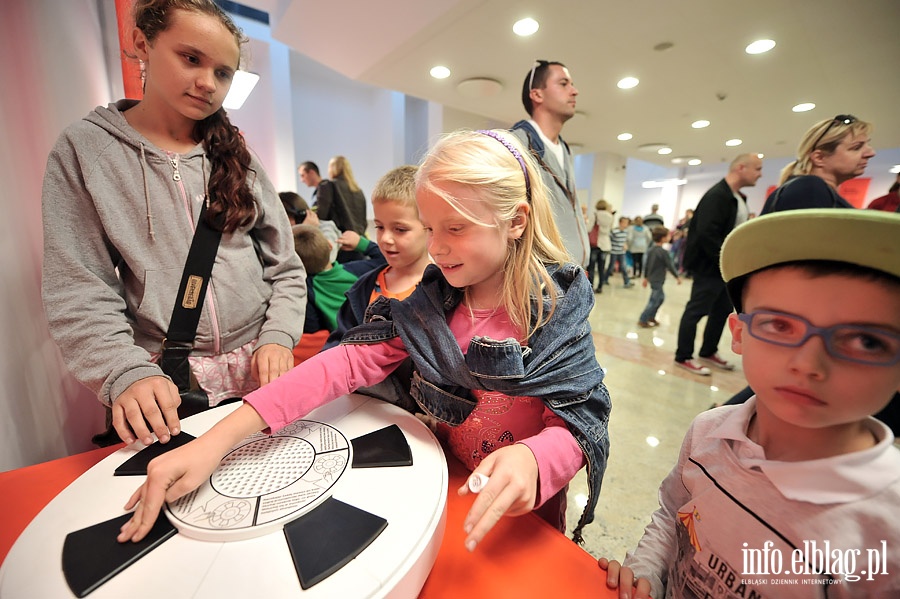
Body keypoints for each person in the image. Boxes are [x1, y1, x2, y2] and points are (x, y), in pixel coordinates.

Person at [118, 129, 612, 554]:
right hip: (448, 485)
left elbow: (578, 418)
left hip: (526, 516)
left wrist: (536, 459)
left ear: (517, 220)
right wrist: (218, 440)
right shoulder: (433, 302)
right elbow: (343, 363)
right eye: (432, 228)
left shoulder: (556, 314)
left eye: (455, 229)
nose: (437, 248)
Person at [41, 0, 305, 448]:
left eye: (223, 73)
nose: (207, 83)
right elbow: (79, 286)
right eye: (191, 58)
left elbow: (286, 268)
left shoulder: (238, 154)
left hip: (259, 364)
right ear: (143, 43)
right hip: (166, 378)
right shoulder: (87, 149)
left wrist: (278, 336)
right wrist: (123, 371)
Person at [601, 208, 900, 599]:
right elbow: (672, 515)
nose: (808, 365)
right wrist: (646, 573)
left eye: (865, 340)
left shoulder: (888, 527)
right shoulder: (708, 432)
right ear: (739, 334)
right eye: (779, 324)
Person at [674, 153, 762, 375]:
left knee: (722, 310)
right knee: (696, 310)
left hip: (727, 269)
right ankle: (683, 355)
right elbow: (707, 234)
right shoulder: (718, 196)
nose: (760, 174)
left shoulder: (737, 197)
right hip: (711, 267)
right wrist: (727, 259)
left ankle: (708, 350)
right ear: (741, 168)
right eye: (757, 169)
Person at [324, 165, 430, 349]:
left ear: (429, 227)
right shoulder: (363, 288)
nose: (386, 238)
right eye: (380, 227)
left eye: (400, 229)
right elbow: (339, 343)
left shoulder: (444, 288)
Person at [510, 60, 590, 268]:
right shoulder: (517, 144)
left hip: (572, 276)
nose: (574, 91)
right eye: (564, 84)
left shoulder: (564, 149)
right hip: (542, 281)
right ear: (537, 94)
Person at [761, 114, 875, 214]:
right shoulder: (810, 188)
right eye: (856, 147)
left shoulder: (810, 188)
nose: (871, 153)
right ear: (819, 158)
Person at [292, 225, 385, 334]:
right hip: (376, 331)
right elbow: (385, 260)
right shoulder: (355, 270)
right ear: (330, 246)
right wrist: (362, 243)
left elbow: (312, 327)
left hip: (345, 340)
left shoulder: (307, 289)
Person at [298, 160, 361, 250]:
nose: (301, 180)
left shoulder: (327, 186)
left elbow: (321, 215)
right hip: (357, 239)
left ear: (311, 172)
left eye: (302, 175)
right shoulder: (358, 190)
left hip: (340, 241)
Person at [279, 191, 340, 263]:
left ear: (300, 216)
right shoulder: (277, 234)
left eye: (285, 217)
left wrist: (305, 230)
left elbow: (326, 259)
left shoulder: (326, 227)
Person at [637, 226, 680, 328]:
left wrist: (646, 277)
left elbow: (647, 265)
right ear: (663, 238)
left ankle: (651, 316)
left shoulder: (651, 250)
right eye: (668, 235)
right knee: (654, 300)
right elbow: (670, 265)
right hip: (658, 279)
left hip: (653, 279)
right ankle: (643, 319)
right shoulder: (663, 252)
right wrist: (677, 277)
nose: (670, 237)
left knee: (660, 298)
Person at [328, 155, 369, 237]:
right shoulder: (358, 190)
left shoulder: (331, 186)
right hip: (360, 238)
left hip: (342, 239)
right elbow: (363, 220)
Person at [587, 199, 613, 293]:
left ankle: (591, 287)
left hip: (595, 244)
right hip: (605, 244)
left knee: (591, 267)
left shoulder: (595, 214)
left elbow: (589, 229)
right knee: (601, 268)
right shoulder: (610, 216)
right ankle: (600, 287)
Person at [606, 216, 633, 288]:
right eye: (625, 223)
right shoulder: (614, 231)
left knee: (623, 267)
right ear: (620, 223)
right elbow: (609, 240)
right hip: (614, 252)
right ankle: (605, 279)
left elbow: (625, 241)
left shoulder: (626, 232)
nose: (626, 224)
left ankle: (627, 282)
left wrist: (625, 245)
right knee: (611, 267)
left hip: (622, 252)